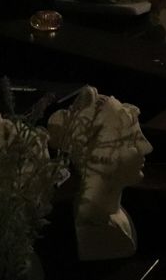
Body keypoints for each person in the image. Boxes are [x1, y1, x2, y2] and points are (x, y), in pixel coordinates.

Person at [47, 86, 153, 261]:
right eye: (131, 141)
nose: (147, 147)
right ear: (101, 155)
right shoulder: (94, 230)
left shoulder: (116, 213)